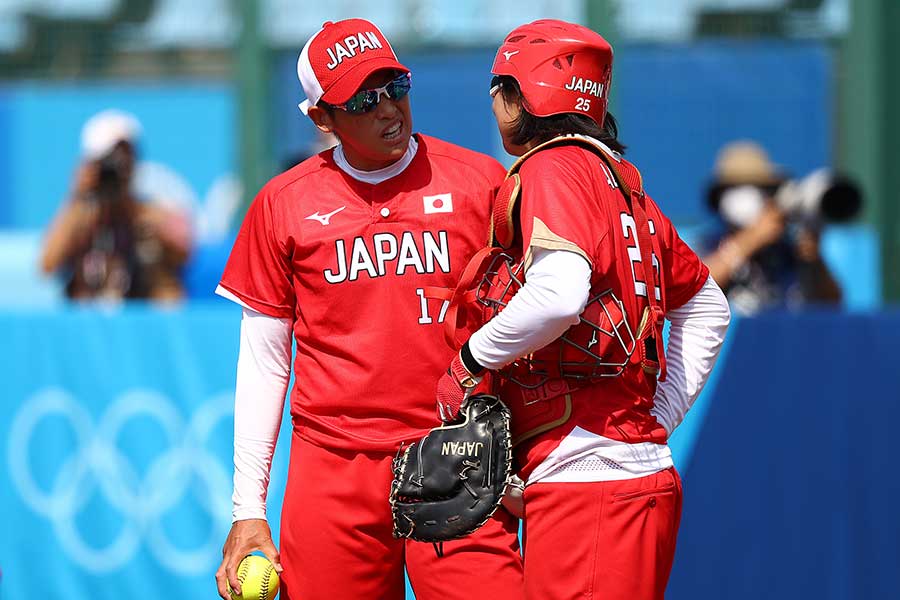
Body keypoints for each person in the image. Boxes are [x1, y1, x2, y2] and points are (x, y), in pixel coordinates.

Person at [213, 19, 523, 600]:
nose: (389, 110)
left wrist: (529, 450)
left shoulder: (481, 184)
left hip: (456, 454)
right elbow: (264, 364)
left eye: (395, 87)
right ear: (320, 118)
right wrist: (248, 509)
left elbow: (533, 321)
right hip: (333, 468)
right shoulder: (284, 204)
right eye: (362, 99)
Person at [434, 20, 731, 599]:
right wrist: (657, 421)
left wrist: (471, 358)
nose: (494, 101)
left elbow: (559, 293)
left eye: (499, 86)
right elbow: (708, 306)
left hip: (589, 489)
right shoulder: (624, 186)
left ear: (525, 94)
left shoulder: (554, 166)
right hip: (632, 477)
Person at [40, 109, 191, 302]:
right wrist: (77, 197)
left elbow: (184, 255)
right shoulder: (79, 218)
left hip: (140, 325)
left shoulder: (150, 215)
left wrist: (132, 211)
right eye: (109, 160)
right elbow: (47, 264)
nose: (119, 167)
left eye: (125, 157)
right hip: (89, 325)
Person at [701, 140, 843, 315]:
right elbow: (694, 288)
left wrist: (815, 260)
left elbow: (832, 304)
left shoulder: (787, 250)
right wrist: (752, 239)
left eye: (767, 191)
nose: (765, 200)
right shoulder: (710, 244)